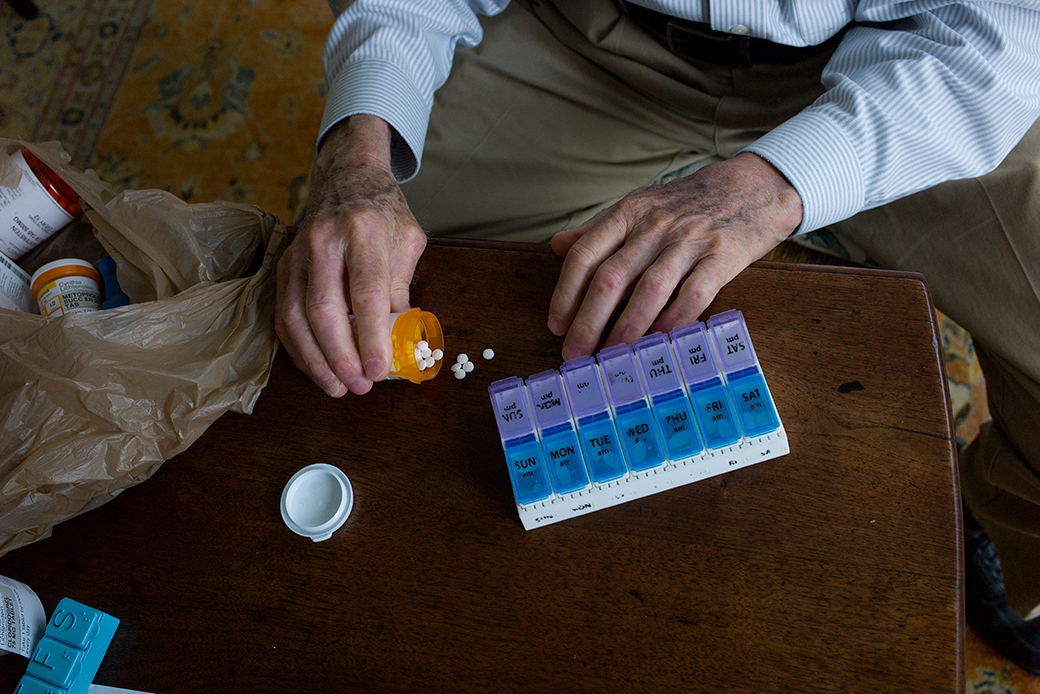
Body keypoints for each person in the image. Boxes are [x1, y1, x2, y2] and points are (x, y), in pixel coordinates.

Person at [274, 0, 1040, 672]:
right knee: (381, 293)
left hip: (907, 65)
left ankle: (1006, 530)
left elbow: (1004, 28)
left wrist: (781, 182)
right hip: (587, 43)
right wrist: (357, 156)